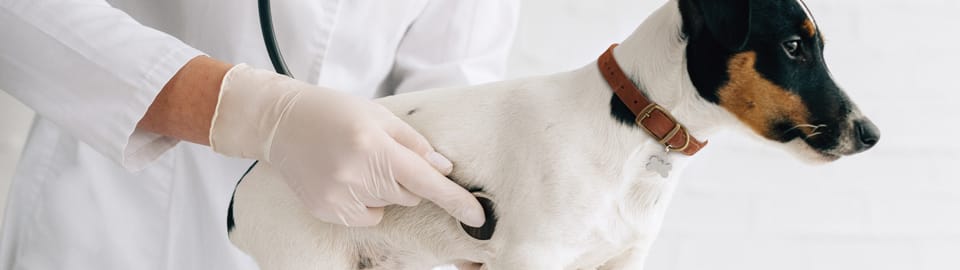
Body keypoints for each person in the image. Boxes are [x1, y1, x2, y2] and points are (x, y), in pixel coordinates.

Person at [0, 0, 518, 269]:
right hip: (117, 212)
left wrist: (449, 216)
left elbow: (459, 74)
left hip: (342, 238)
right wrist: (256, 113)